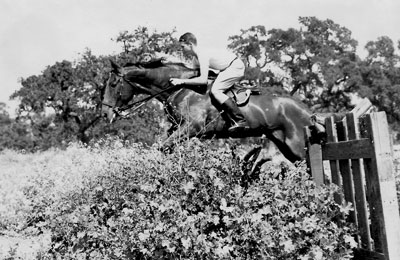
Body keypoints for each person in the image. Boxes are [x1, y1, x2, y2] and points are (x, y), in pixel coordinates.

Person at [170, 32, 249, 132]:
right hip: (225, 69)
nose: (181, 50)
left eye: (182, 47)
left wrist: (181, 81)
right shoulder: (195, 59)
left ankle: (240, 120)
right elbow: (194, 76)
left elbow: (202, 80)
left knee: (216, 91)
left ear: (190, 45)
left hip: (235, 67)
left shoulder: (202, 55)